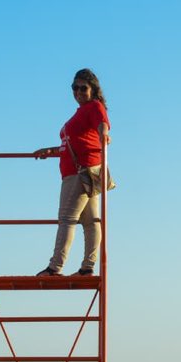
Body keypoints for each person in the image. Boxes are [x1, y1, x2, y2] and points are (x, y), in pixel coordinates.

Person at [34, 68, 112, 277]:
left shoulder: (94, 106)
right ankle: (87, 267)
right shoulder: (81, 112)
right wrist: (51, 150)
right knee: (90, 220)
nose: (78, 92)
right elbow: (73, 143)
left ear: (93, 89)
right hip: (83, 171)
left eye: (83, 88)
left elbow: (103, 124)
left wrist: (104, 136)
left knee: (67, 218)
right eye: (74, 88)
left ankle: (54, 267)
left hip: (81, 172)